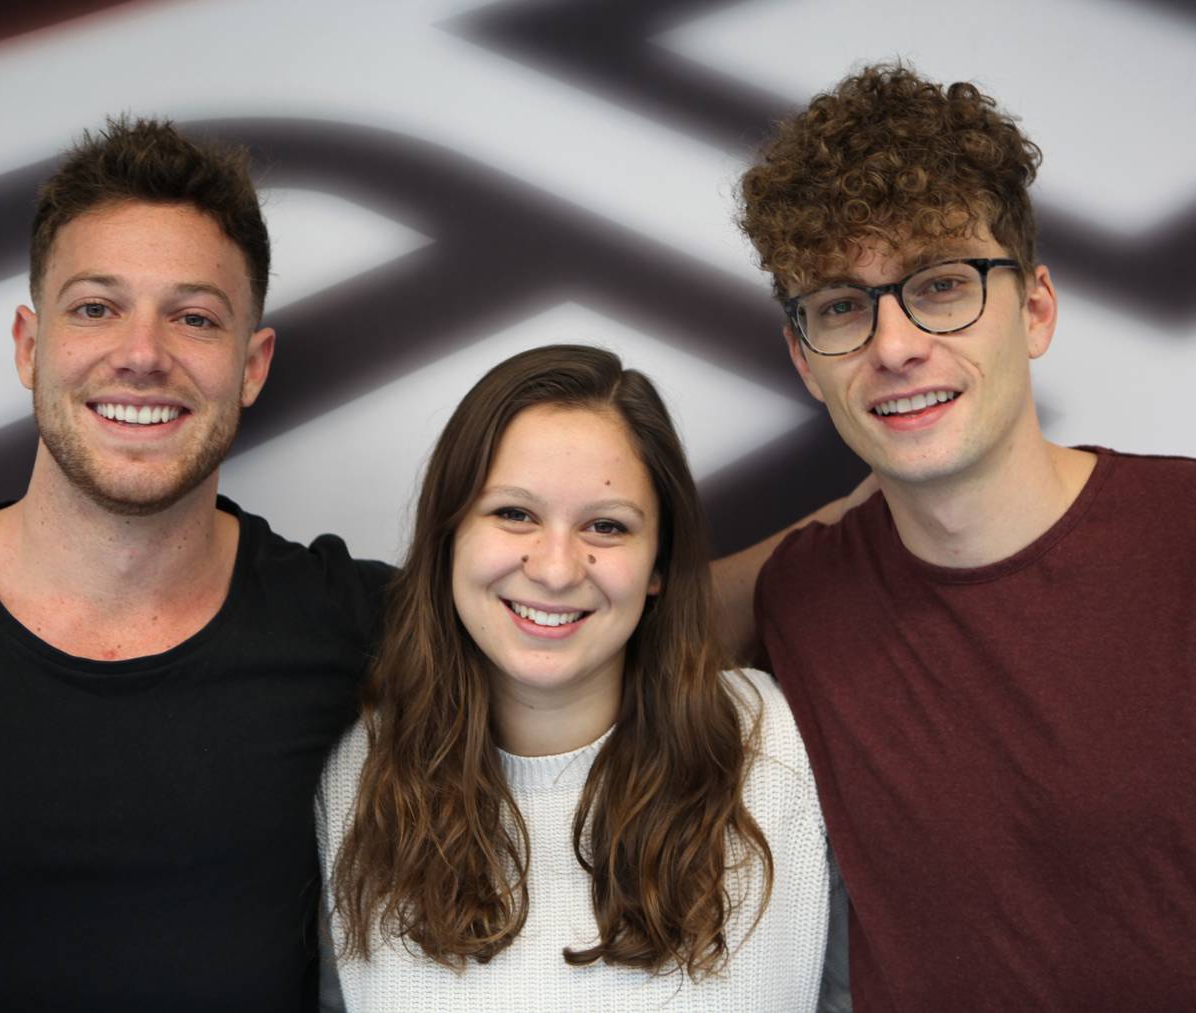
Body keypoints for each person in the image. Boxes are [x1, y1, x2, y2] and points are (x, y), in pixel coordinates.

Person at [728, 61, 1196, 1010]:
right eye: (842, 306)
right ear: (806, 361)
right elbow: (610, 614)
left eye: (942, 286)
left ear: (1036, 310)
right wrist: (849, 508)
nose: (894, 346)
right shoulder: (799, 598)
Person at [0, 118, 393, 1010]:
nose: (142, 354)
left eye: (194, 317)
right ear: (29, 345)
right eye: (96, 307)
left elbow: (600, 656)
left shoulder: (358, 629)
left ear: (252, 365)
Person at [316, 345, 841, 1011]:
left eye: (606, 525)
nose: (557, 569)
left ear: (659, 565)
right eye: (514, 513)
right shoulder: (353, 775)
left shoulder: (790, 749)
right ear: (448, 536)